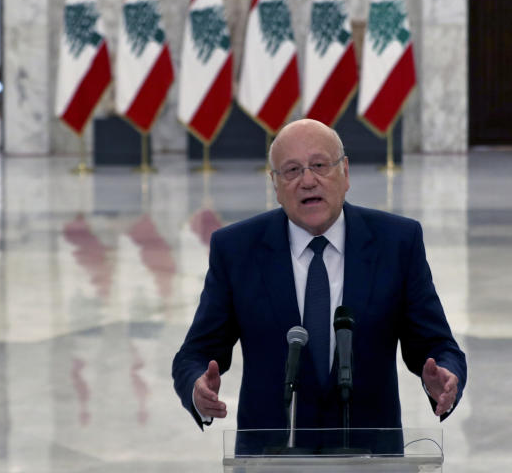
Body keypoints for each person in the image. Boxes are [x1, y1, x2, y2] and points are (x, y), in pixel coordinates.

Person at [172, 119, 466, 449]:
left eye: (319, 166)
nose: (308, 180)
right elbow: (195, 354)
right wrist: (197, 387)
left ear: (346, 173)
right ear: (275, 185)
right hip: (271, 459)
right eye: (292, 170)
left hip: (369, 458)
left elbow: (438, 346)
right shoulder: (237, 249)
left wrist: (444, 375)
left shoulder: (396, 242)